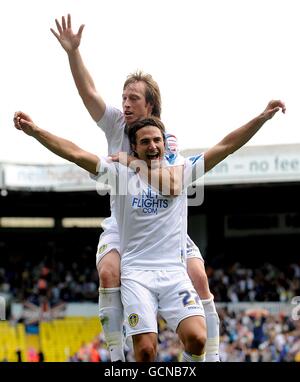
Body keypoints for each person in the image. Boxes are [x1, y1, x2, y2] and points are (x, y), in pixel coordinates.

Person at [14, 99, 285, 361]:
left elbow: (227, 146)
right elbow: (74, 153)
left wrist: (261, 118)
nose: (152, 146)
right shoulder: (118, 174)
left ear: (165, 143)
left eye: (157, 140)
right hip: (136, 276)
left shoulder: (181, 171)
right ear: (134, 146)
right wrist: (36, 131)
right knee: (145, 351)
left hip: (174, 274)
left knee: (198, 339)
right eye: (145, 141)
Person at [50, 14, 220, 361]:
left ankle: (210, 356)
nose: (124, 104)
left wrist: (131, 163)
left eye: (132, 99)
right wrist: (73, 53)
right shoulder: (116, 122)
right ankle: (116, 358)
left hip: (164, 228)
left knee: (200, 277)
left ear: (151, 106)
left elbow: (172, 184)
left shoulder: (161, 139)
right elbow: (88, 93)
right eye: (123, 98)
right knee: (109, 270)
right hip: (123, 223)